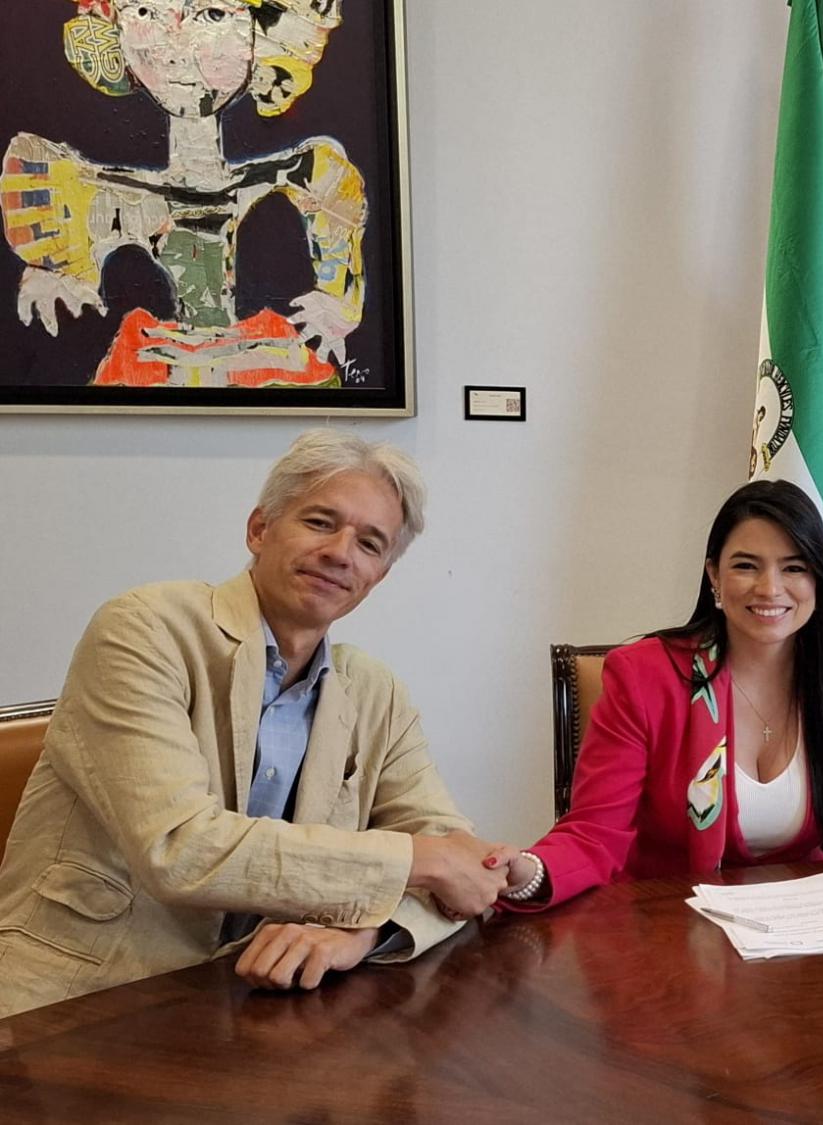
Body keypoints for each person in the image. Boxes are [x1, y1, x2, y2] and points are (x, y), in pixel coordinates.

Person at [0, 430, 510, 1019]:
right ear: (259, 530)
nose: (341, 552)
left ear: (378, 576)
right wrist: (421, 860)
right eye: (320, 522)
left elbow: (461, 864)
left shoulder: (376, 692)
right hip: (83, 1001)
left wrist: (363, 934)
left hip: (259, 1004)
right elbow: (178, 847)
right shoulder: (144, 630)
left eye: (370, 544)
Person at [494, 480, 823, 910]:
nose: (770, 588)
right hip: (669, 933)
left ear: (819, 580)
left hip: (813, 935)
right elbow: (595, 833)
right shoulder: (643, 677)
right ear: (714, 575)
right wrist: (527, 873)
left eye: (794, 568)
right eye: (746, 566)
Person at [5, 0, 368, 388]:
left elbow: (337, 202)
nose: (176, 49)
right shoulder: (79, 190)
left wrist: (338, 301)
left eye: (212, 15)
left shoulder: (307, 169)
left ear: (261, 37)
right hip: (150, 371)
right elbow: (62, 271)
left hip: (269, 368)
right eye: (145, 13)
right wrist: (56, 274)